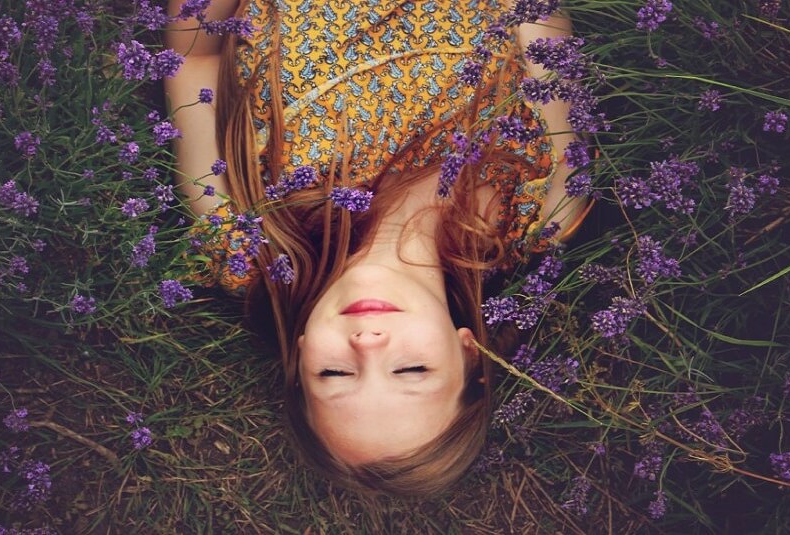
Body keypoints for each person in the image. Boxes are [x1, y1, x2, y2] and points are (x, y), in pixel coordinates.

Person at [163, 0, 591, 496]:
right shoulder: (541, 209)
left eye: (335, 372)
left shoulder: (242, 241)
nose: (367, 345)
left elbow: (193, 58)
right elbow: (539, 21)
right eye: (411, 369)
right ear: (469, 353)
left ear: (300, 361)